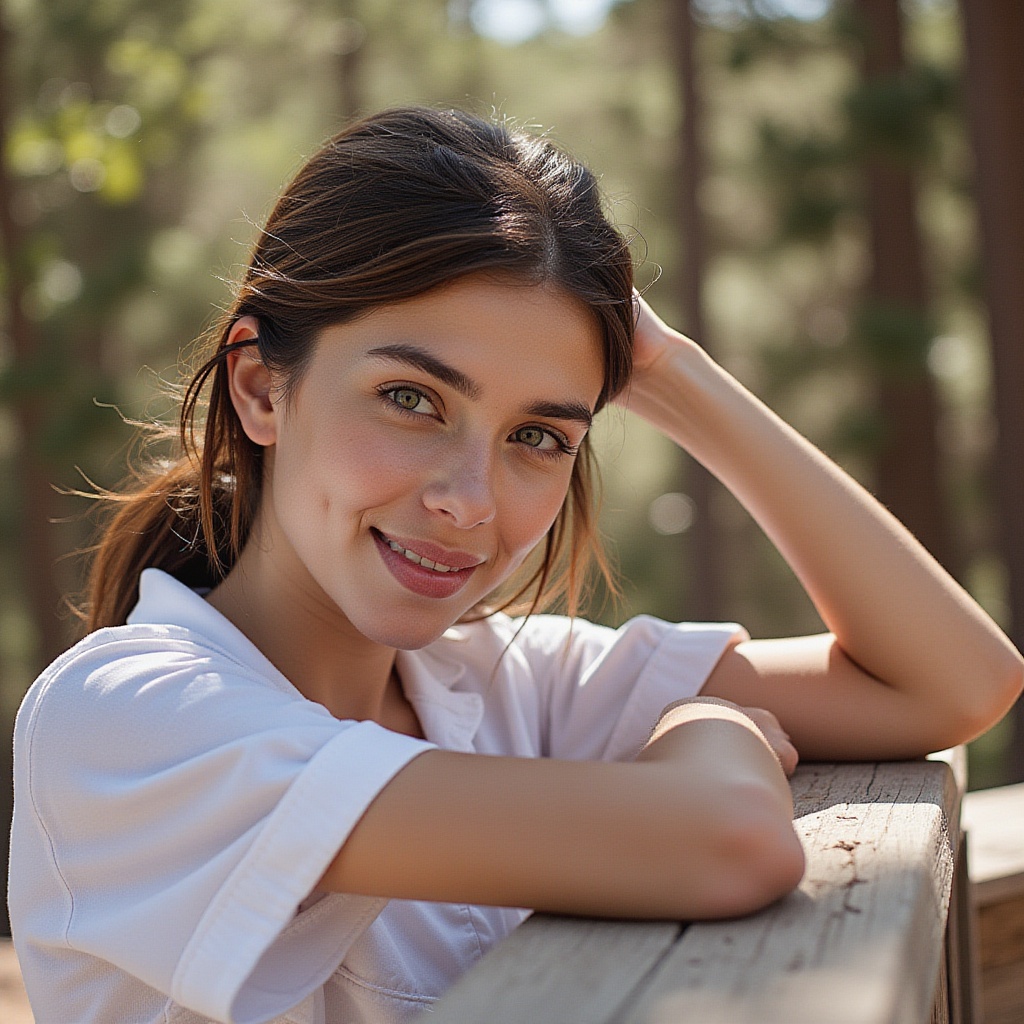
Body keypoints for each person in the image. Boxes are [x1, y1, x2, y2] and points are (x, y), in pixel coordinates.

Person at [8, 106, 1022, 1024]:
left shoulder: (504, 686)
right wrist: (708, 726)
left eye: (539, 434)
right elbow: (727, 837)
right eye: (412, 399)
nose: (469, 501)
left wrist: (672, 374)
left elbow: (954, 679)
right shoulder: (128, 714)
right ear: (262, 389)